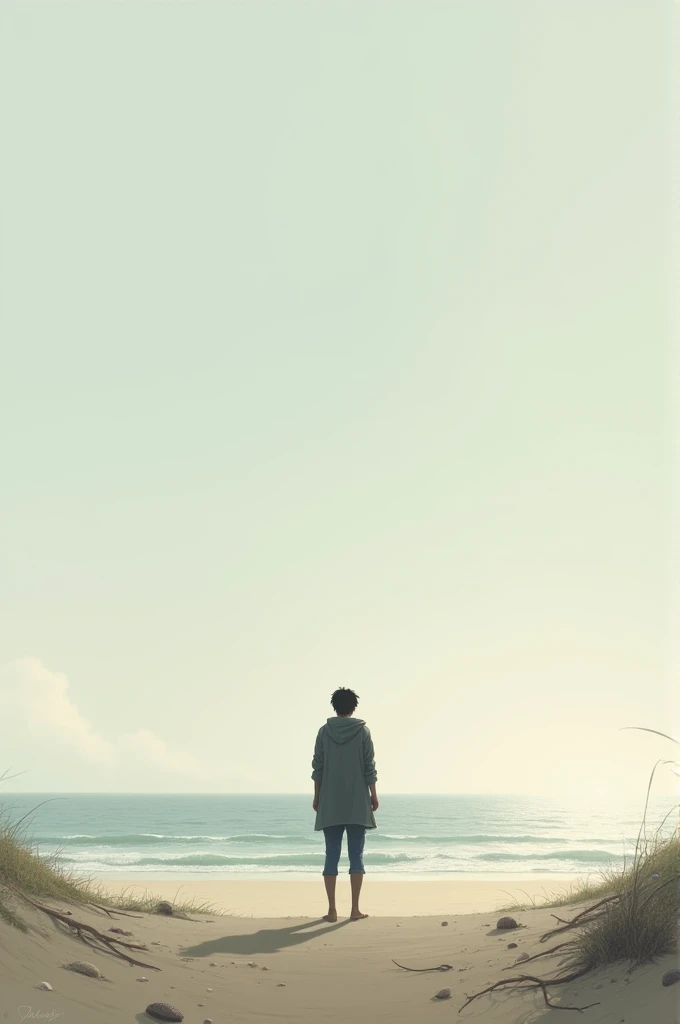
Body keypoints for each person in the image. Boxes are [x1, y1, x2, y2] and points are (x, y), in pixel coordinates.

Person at [311, 687, 378, 921]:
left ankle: (331, 911)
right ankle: (355, 909)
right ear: (353, 707)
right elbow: (369, 766)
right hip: (357, 801)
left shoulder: (323, 732)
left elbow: (317, 768)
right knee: (356, 854)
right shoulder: (363, 732)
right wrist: (373, 794)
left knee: (331, 853)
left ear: (334, 706)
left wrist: (317, 796)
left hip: (330, 800)